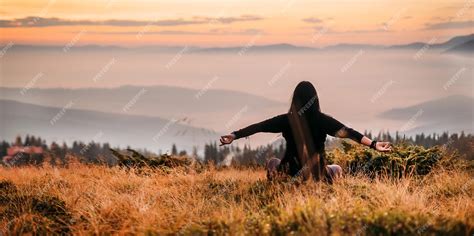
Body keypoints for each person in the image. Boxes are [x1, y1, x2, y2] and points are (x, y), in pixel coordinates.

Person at [220, 81, 392, 183]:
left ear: (295, 100)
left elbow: (259, 126)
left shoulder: (287, 119)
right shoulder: (323, 120)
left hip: (289, 171)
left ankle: (276, 182)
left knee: (273, 161)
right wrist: (374, 145)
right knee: (337, 168)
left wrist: (234, 135)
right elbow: (350, 133)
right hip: (318, 174)